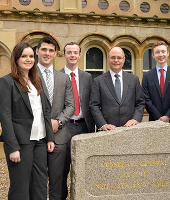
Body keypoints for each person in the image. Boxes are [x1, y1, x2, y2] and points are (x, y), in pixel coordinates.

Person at [0, 42, 55, 200]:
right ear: (16, 59)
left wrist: (50, 137)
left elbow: (45, 111)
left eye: (31, 56)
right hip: (20, 142)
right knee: (20, 188)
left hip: (40, 141)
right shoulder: (6, 82)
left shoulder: (37, 81)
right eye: (24, 56)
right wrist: (12, 147)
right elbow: (5, 116)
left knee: (40, 184)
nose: (28, 59)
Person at [36, 36, 75, 200]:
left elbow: (71, 105)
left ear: (56, 53)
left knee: (58, 183)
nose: (47, 53)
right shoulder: (28, 74)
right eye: (44, 49)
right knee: (36, 182)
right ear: (37, 51)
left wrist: (58, 122)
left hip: (59, 136)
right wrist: (45, 123)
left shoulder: (63, 78)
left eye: (51, 50)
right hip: (35, 137)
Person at [60, 42, 95, 199]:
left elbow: (93, 103)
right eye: (69, 52)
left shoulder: (88, 77)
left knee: (83, 167)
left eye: (75, 52)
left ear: (80, 55)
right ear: (64, 54)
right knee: (61, 168)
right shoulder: (57, 76)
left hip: (84, 127)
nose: (72, 55)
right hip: (64, 128)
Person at [90, 46, 145, 131]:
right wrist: (103, 124)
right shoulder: (98, 81)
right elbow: (94, 105)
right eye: (113, 57)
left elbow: (140, 103)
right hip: (107, 130)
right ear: (108, 59)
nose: (116, 60)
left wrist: (135, 119)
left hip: (130, 129)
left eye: (119, 58)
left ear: (124, 59)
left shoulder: (134, 79)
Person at [142, 41, 170, 128]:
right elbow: (146, 99)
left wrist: (168, 116)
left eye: (163, 52)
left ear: (168, 53)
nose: (160, 55)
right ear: (153, 55)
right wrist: (158, 118)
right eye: (157, 52)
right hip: (154, 121)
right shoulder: (147, 76)